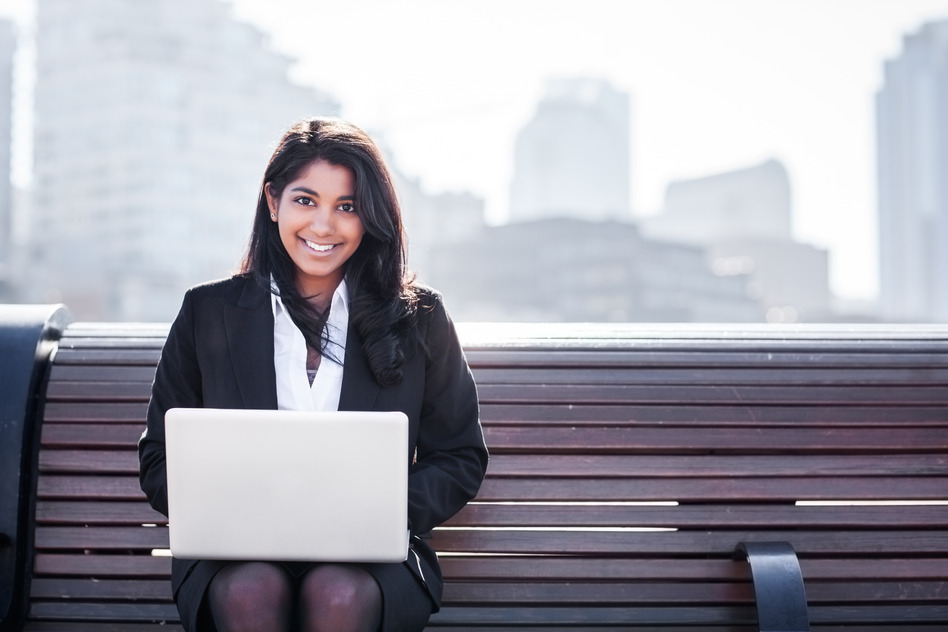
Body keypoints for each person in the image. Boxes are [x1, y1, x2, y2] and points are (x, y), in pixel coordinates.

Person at [139, 117, 489, 632]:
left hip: (373, 557)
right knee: (249, 590)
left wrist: (378, 514)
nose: (324, 226)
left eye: (346, 207)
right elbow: (158, 458)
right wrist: (228, 510)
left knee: (338, 591)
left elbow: (459, 455)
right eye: (306, 201)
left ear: (370, 217)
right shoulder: (206, 313)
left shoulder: (419, 318)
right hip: (235, 552)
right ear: (273, 201)